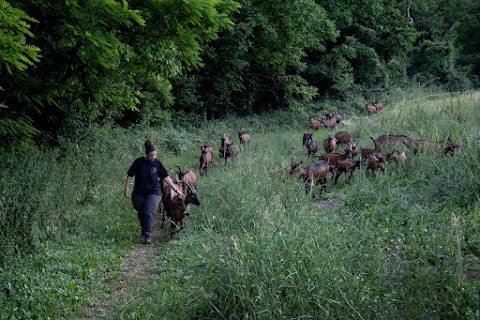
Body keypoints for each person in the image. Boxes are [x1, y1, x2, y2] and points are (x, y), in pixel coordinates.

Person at [124, 140, 185, 244]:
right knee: (141, 212)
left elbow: (165, 177)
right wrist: (126, 188)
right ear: (146, 154)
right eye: (151, 155)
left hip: (154, 192)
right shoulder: (138, 162)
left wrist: (176, 190)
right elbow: (130, 175)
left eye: (155, 155)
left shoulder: (157, 163)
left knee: (149, 211)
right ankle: (144, 228)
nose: (153, 157)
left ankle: (148, 235)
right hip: (139, 192)